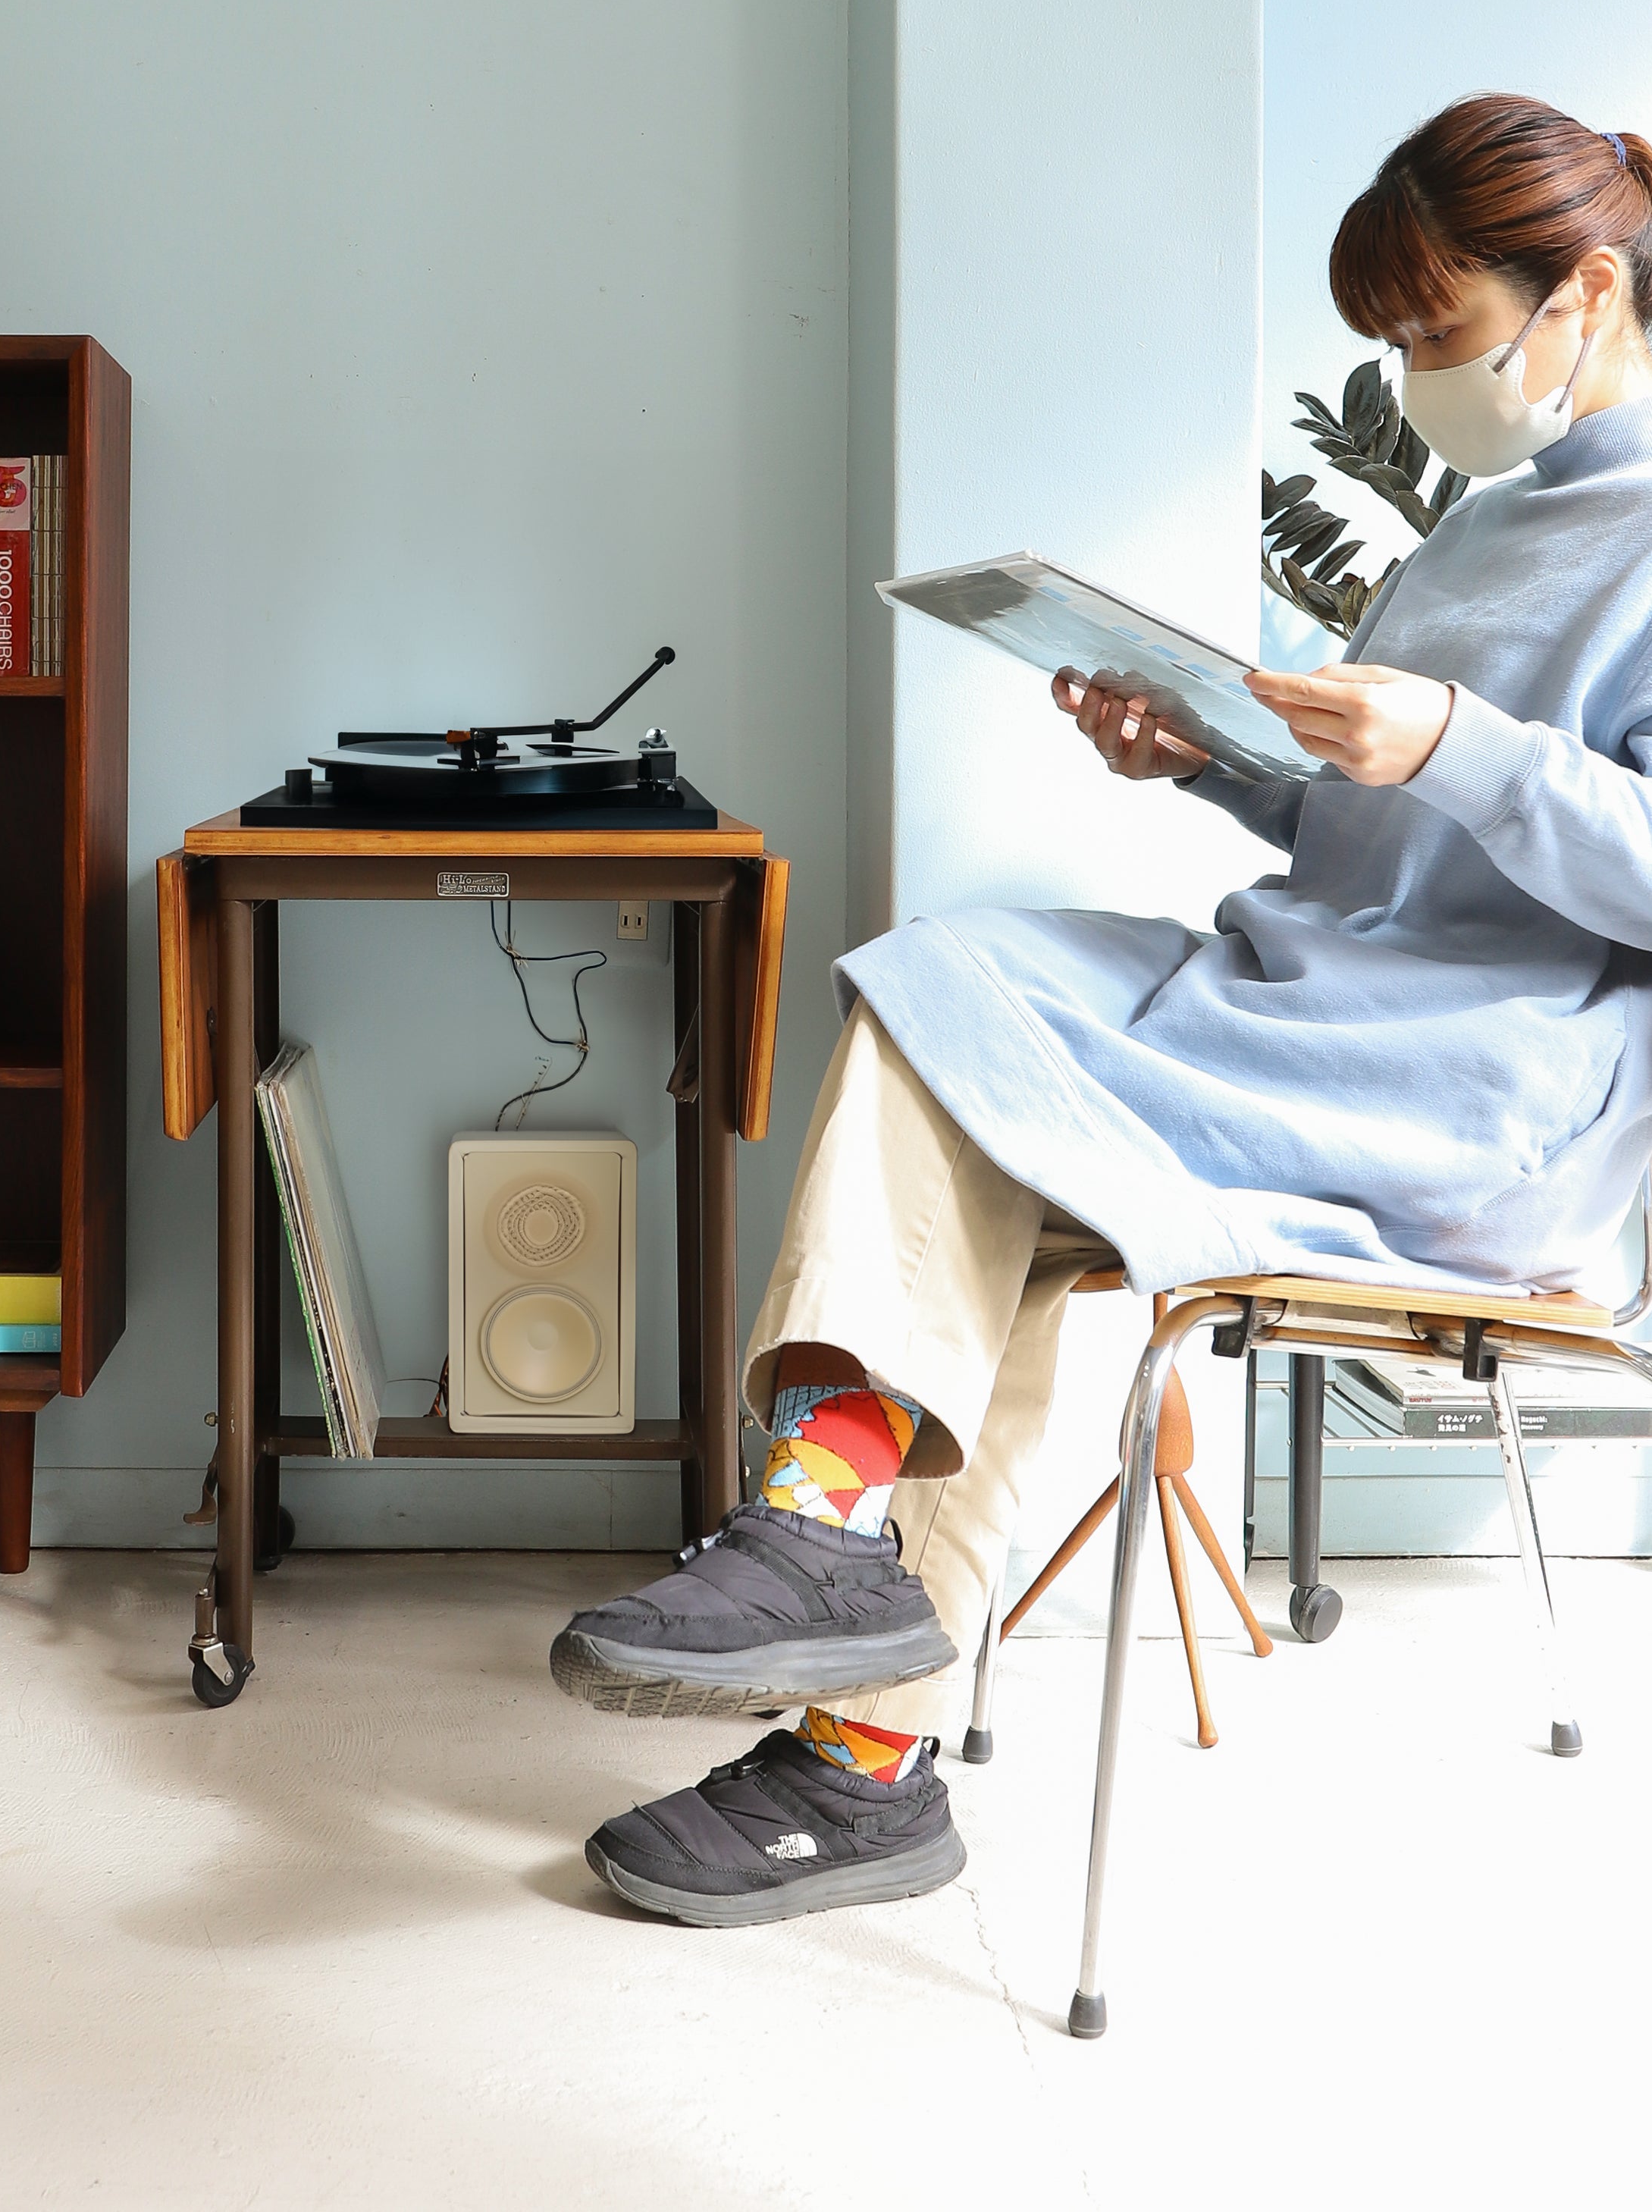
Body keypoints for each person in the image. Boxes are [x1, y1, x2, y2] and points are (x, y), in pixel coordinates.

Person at [553, 94, 1652, 1927]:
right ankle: (859, 1743)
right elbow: (1389, 825)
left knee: (983, 1047)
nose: (1411, 375)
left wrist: (1462, 739)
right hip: (1304, 1006)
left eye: (1436, 333)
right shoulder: (1475, 534)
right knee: (981, 1051)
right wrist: (1211, 765)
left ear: (1589, 292)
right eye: (1386, 341)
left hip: (1476, 1087)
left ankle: (825, 1546)